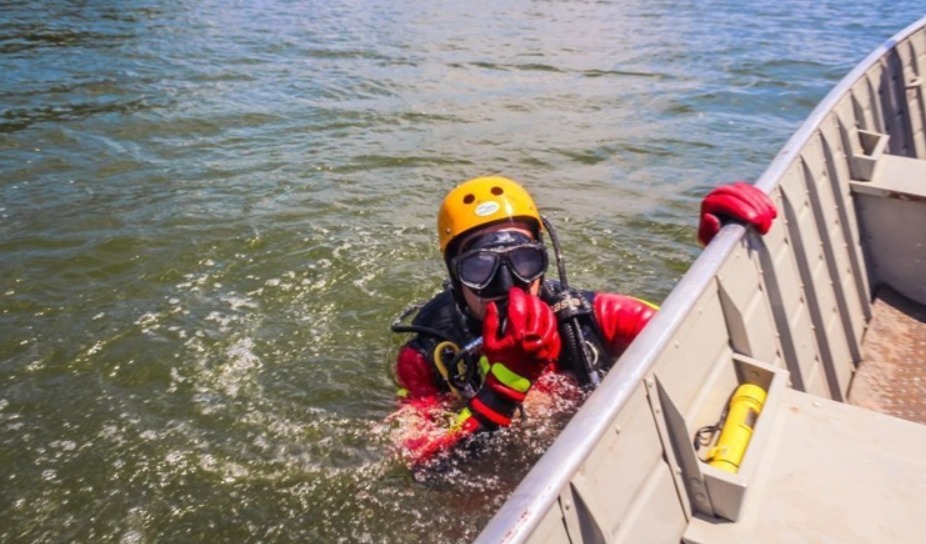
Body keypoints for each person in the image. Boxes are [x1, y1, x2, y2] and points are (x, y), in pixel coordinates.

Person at [389, 176, 776, 467]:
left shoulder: (595, 317)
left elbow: (703, 338)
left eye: (524, 261)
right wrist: (502, 390)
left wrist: (722, 257)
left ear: (544, 258)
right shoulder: (428, 354)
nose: (507, 285)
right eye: (480, 267)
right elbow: (422, 466)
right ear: (456, 276)